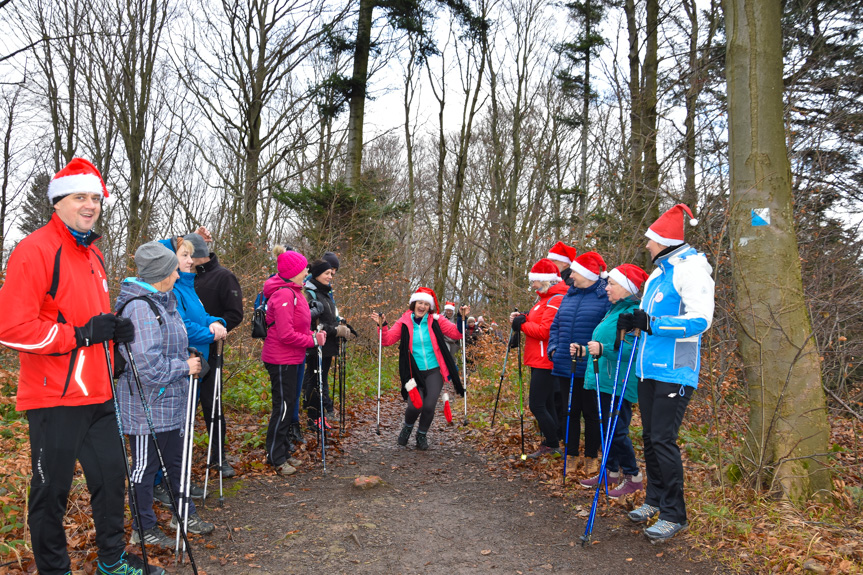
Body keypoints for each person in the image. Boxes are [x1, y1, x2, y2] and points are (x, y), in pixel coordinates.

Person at [0, 158, 161, 575]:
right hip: (54, 396)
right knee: (50, 493)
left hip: (100, 391)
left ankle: (112, 561)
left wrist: (113, 339)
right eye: (79, 197)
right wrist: (82, 336)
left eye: (95, 197)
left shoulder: (94, 253)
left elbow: (90, 321)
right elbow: (12, 328)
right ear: (58, 202)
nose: (90, 205)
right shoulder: (35, 250)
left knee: (111, 482)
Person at [620, 204, 714, 543]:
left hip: (675, 370)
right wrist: (635, 323)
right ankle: (655, 501)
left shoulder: (691, 270)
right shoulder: (660, 273)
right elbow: (649, 320)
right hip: (648, 369)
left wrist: (653, 324)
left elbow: (701, 320)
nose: (646, 245)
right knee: (649, 439)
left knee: (662, 440)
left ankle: (675, 514)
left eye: (651, 240)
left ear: (665, 241)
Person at [115, 242, 215, 547]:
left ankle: (183, 513)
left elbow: (171, 343)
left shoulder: (163, 300)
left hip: (171, 401)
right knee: (145, 469)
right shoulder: (140, 308)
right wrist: (184, 366)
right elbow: (147, 366)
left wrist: (190, 354)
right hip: (146, 405)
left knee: (176, 462)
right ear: (161, 272)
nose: (179, 271)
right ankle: (143, 527)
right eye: (174, 267)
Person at [152, 236, 227, 504]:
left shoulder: (187, 285)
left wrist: (216, 321)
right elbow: (183, 327)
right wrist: (210, 332)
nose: (190, 261)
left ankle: (177, 478)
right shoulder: (170, 290)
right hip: (178, 368)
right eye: (184, 255)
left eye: (189, 255)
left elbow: (200, 316)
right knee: (170, 431)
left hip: (196, 369)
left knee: (183, 429)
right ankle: (159, 483)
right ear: (169, 260)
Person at [580, 263, 649, 497]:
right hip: (605, 379)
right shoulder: (614, 310)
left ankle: (634, 476)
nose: (606, 288)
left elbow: (634, 350)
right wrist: (587, 350)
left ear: (626, 287)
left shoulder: (633, 313)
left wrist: (603, 348)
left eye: (612, 284)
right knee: (606, 428)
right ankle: (611, 472)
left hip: (619, 381)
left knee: (617, 430)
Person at [369, 287, 463, 450]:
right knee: (415, 405)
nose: (422, 306)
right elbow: (387, 340)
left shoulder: (437, 320)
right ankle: (407, 427)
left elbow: (456, 333)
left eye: (426, 304)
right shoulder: (404, 322)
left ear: (429, 307)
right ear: (414, 304)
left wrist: (462, 317)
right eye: (420, 302)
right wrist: (382, 325)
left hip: (434, 370)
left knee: (428, 406)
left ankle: (421, 434)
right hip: (413, 372)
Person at [261, 249, 325, 475]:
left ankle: (282, 451)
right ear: (294, 272)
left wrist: (313, 334)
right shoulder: (284, 295)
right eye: (304, 268)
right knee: (283, 407)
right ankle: (275, 456)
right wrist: (312, 339)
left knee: (289, 407)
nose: (307, 271)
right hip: (281, 359)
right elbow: (285, 334)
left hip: (293, 357)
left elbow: (296, 327)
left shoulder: (295, 292)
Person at [547, 251, 611, 475]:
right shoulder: (569, 295)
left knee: (592, 413)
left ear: (587, 274)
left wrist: (594, 351)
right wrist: (554, 348)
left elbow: (607, 331)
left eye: (574, 271)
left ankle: (592, 456)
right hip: (566, 363)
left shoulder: (604, 297)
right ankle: (571, 454)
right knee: (569, 411)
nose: (570, 275)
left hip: (592, 367)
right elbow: (556, 325)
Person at [190, 231, 244, 478]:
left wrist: (216, 330)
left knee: (212, 406)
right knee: (186, 408)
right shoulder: (182, 277)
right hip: (184, 352)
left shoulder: (224, 277)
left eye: (191, 255)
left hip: (212, 351)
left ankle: (218, 458)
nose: (188, 260)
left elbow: (235, 314)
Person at [508, 259, 568, 458]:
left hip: (546, 360)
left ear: (546, 280)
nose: (532, 285)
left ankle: (553, 443)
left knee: (537, 404)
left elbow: (546, 331)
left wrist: (521, 325)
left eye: (535, 281)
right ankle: (551, 442)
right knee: (548, 403)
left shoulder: (556, 299)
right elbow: (536, 320)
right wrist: (522, 317)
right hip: (538, 358)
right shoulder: (544, 299)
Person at [302, 258, 350, 429]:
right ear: (317, 274)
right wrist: (335, 330)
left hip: (327, 347)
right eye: (327, 273)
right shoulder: (310, 294)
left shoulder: (325, 293)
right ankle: (313, 417)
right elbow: (313, 324)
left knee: (321, 381)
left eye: (331, 273)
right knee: (315, 381)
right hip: (315, 346)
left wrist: (342, 326)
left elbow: (330, 318)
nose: (330, 276)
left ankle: (320, 415)